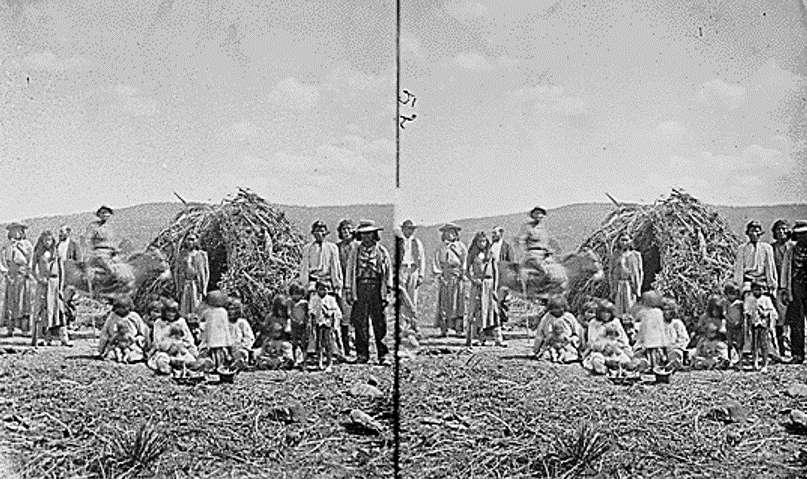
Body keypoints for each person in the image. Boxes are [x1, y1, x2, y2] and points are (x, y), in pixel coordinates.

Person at [344, 220, 393, 365]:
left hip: (376, 288)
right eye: (363, 234)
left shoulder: (381, 251)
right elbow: (350, 271)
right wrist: (349, 290)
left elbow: (388, 273)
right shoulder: (356, 251)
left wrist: (387, 292)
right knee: (360, 322)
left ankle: (383, 355)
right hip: (360, 287)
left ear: (374, 234)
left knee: (379, 322)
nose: (366, 237)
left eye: (369, 234)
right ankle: (362, 354)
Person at [299, 220, 344, 359]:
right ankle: (314, 348)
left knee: (331, 315)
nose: (320, 234)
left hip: (327, 283)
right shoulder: (308, 248)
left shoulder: (332, 248)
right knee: (314, 316)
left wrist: (337, 285)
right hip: (314, 283)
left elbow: (335, 266)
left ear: (326, 233)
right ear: (313, 233)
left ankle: (334, 349)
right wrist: (305, 285)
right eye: (317, 231)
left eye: (322, 231)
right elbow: (304, 267)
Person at [466, 231, 505, 347]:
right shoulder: (472, 254)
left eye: (484, 241)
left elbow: (495, 271)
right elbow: (467, 271)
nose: (482, 243)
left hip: (490, 283)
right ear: (476, 242)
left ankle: (498, 338)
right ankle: (481, 337)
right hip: (479, 284)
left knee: (493, 311)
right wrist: (473, 280)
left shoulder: (490, 254)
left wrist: (494, 287)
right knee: (479, 310)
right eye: (479, 241)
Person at [32, 230, 69, 347]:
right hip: (44, 284)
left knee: (60, 310)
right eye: (45, 240)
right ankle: (47, 338)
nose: (48, 242)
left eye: (50, 240)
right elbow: (32, 269)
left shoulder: (56, 253)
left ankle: (64, 338)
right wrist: (39, 279)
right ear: (42, 241)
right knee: (45, 310)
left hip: (55, 283)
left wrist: (61, 287)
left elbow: (61, 270)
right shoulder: (38, 253)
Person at [433, 223, 467, 337]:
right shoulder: (440, 247)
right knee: (444, 303)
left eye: (452, 232)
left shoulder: (461, 246)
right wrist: (439, 275)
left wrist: (462, 272)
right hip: (445, 276)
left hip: (457, 276)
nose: (450, 234)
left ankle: (458, 329)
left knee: (458, 303)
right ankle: (444, 329)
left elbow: (465, 260)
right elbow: (436, 261)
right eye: (447, 232)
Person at [147, 300, 198, 374]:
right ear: (164, 311)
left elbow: (189, 339)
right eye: (169, 312)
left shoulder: (181, 322)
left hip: (181, 351)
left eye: (173, 312)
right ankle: (170, 368)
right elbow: (158, 342)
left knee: (191, 361)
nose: (171, 314)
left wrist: (181, 344)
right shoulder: (159, 323)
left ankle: (182, 367)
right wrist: (169, 336)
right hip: (165, 352)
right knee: (161, 361)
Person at [1, 223, 34, 336]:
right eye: (14, 231)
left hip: (23, 274)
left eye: (19, 231)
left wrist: (28, 270)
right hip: (11, 275)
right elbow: (2, 259)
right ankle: (10, 328)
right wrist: (5, 272)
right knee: (10, 302)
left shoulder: (27, 244)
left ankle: (24, 328)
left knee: (23, 302)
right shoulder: (7, 245)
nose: (16, 233)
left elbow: (31, 258)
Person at [533, 295, 583, 361]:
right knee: (547, 354)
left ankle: (563, 357)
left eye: (559, 308)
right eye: (554, 308)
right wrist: (537, 348)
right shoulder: (547, 318)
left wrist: (572, 340)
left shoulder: (569, 317)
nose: (556, 310)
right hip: (551, 344)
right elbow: (540, 333)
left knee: (569, 355)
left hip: (565, 345)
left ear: (564, 307)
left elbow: (577, 331)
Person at [98, 296, 147, 363]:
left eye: (123, 308)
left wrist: (139, 340)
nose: (120, 310)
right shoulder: (112, 316)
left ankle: (129, 357)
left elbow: (142, 331)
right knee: (112, 353)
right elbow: (105, 332)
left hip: (131, 344)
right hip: (116, 343)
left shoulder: (134, 316)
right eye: (118, 308)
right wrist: (101, 348)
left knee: (134, 355)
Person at [771, 219, 795, 359]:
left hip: (791, 287)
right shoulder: (771, 248)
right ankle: (780, 349)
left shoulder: (792, 247)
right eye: (778, 230)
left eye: (784, 229)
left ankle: (793, 349)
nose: (781, 232)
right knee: (779, 319)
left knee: (792, 318)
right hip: (777, 287)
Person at [631, 291, 669, 371]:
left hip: (651, 334)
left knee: (652, 352)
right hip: (654, 334)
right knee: (653, 351)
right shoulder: (658, 312)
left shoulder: (646, 312)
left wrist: (640, 336)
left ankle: (654, 365)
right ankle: (654, 365)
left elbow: (644, 325)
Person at [197, 290, 234, 371]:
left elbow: (201, 320)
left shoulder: (208, 312)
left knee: (214, 351)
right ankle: (220, 365)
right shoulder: (223, 311)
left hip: (213, 335)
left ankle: (216, 365)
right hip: (220, 335)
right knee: (220, 352)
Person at [309, 281, 341, 372]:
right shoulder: (314, 299)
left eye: (325, 289)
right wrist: (314, 315)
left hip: (327, 323)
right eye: (320, 289)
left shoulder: (331, 299)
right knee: (318, 343)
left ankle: (329, 363)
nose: (323, 291)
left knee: (328, 343)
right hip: (318, 323)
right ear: (316, 290)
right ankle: (319, 362)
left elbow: (335, 310)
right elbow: (311, 309)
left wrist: (329, 313)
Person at [746, 281, 778, 373]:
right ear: (752, 290)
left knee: (764, 344)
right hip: (754, 324)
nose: (758, 292)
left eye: (760, 289)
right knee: (754, 344)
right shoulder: (749, 299)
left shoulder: (766, 299)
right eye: (755, 289)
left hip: (764, 324)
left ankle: (764, 364)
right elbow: (747, 313)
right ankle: (755, 363)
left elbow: (771, 312)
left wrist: (764, 313)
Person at [336, 219, 357, 357]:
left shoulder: (357, 246)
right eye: (343, 230)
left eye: (349, 229)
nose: (346, 232)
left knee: (358, 315)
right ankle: (345, 346)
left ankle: (357, 345)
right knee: (345, 316)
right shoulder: (337, 247)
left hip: (357, 283)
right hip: (342, 284)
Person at [787, 221, 807, 364]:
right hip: (796, 287)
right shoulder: (792, 250)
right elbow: (787, 270)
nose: (802, 237)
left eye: (804, 234)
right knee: (797, 321)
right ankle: (798, 354)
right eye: (799, 234)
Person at [610, 233, 644, 317]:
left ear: (631, 241)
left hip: (630, 285)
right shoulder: (615, 255)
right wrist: (612, 289)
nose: (624, 243)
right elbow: (611, 272)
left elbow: (640, 272)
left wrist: (637, 288)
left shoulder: (636, 255)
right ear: (618, 241)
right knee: (619, 309)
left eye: (626, 240)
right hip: (619, 285)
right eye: (622, 240)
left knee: (630, 308)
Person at [82, 205, 119, 277]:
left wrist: (116, 251)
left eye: (107, 213)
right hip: (100, 253)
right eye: (103, 213)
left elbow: (112, 242)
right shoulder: (94, 227)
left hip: (111, 253)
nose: (105, 215)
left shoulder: (109, 228)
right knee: (112, 271)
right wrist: (92, 251)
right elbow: (87, 240)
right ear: (99, 215)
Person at [177, 234, 210, 316]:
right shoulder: (182, 254)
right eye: (188, 239)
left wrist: (204, 288)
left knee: (196, 307)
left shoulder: (202, 254)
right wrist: (178, 288)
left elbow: (206, 272)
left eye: (192, 239)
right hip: (186, 284)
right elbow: (177, 272)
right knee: (185, 308)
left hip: (196, 284)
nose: (190, 242)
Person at [397, 219, 425, 312]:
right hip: (402, 269)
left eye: (411, 229)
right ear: (403, 229)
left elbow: (422, 258)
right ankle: (403, 322)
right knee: (402, 295)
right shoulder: (399, 242)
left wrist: (421, 275)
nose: (410, 231)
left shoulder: (417, 242)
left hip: (413, 269)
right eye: (408, 229)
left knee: (413, 296)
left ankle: (412, 321)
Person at [56, 225, 80, 328]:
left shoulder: (73, 245)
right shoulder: (57, 245)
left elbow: (78, 260)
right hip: (59, 275)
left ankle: (71, 320)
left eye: (62, 232)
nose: (60, 234)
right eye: (60, 232)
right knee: (60, 298)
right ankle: (63, 321)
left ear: (68, 232)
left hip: (70, 275)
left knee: (69, 298)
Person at [490, 226, 514, 322]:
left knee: (501, 299)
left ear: (501, 233)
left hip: (502, 277)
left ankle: (502, 319)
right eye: (492, 233)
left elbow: (511, 264)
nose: (493, 236)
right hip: (491, 277)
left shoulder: (507, 247)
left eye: (495, 233)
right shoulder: (490, 246)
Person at [520, 206, 553, 272]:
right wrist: (525, 253)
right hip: (533, 255)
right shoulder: (528, 228)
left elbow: (547, 244)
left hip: (544, 256)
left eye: (540, 213)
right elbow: (521, 241)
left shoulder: (544, 229)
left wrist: (549, 253)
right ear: (532, 215)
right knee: (545, 272)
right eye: (536, 213)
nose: (538, 215)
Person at [227, 298, 255, 370]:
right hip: (226, 349)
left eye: (232, 309)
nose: (229, 312)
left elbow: (249, 338)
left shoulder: (242, 323)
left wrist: (243, 345)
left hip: (238, 348)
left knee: (242, 354)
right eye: (228, 309)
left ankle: (238, 364)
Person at [661, 298, 689, 370]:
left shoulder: (677, 323)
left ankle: (672, 365)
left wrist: (675, 346)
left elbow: (684, 338)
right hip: (661, 349)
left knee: (676, 354)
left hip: (674, 349)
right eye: (664, 310)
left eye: (668, 309)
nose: (666, 312)